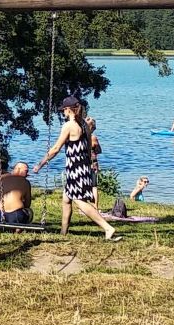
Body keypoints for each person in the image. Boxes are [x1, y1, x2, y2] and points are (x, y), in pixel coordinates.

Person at [36, 96, 115, 240]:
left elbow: (55, 148)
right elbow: (88, 149)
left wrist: (41, 164)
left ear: (69, 109)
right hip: (84, 166)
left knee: (79, 201)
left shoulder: (69, 125)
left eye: (63, 110)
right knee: (66, 199)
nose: (62, 113)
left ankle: (107, 228)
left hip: (75, 169)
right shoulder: (85, 125)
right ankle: (63, 233)